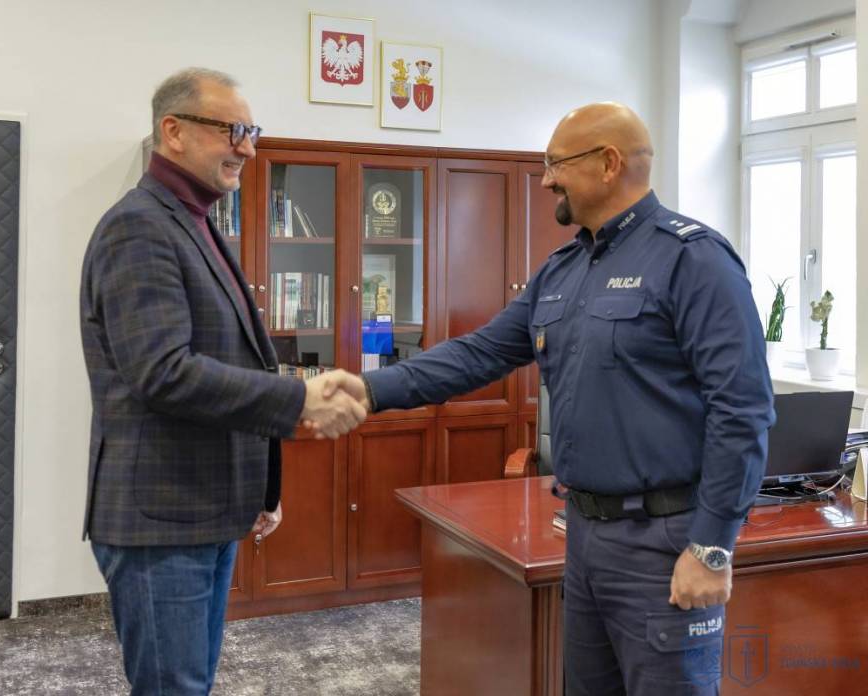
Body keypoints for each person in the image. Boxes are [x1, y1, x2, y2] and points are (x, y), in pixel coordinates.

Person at [322, 102, 775, 695]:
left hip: (664, 543)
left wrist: (712, 545)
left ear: (608, 163)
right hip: (583, 537)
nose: (545, 180)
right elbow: (480, 352)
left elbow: (742, 410)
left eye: (556, 164)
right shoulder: (562, 269)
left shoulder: (694, 260)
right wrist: (369, 388)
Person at [79, 67, 366, 696]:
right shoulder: (139, 226)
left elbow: (236, 360)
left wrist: (264, 485)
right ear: (173, 131)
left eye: (252, 132)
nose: (248, 148)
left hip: (205, 507)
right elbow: (164, 372)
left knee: (192, 683)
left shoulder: (196, 222)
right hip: (162, 517)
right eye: (232, 130)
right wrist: (299, 397)